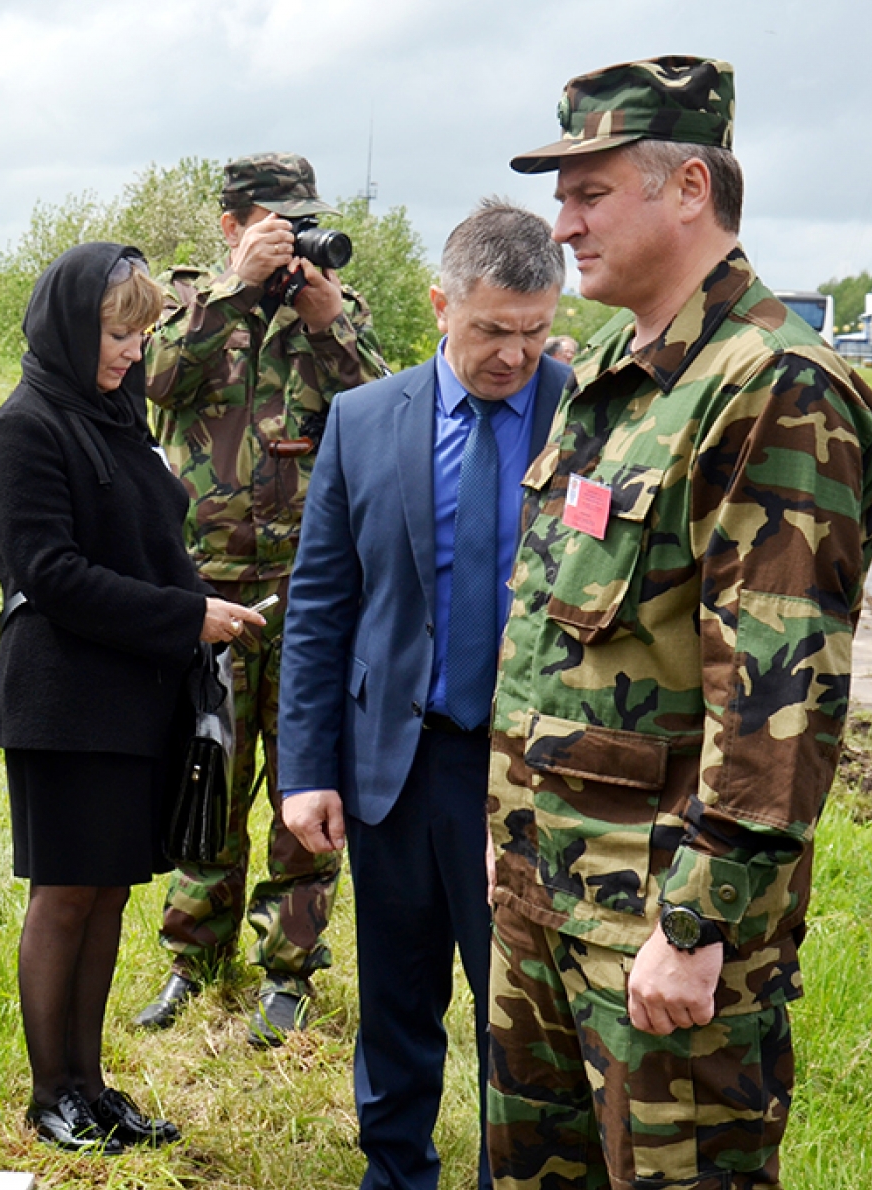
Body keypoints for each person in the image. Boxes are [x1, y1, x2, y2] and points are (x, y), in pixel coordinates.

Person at [492, 58, 872, 1189]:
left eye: (590, 192)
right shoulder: (616, 372)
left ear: (690, 188)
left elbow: (778, 697)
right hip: (544, 893)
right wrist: (506, 839)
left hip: (656, 932)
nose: (561, 224)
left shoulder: (774, 389)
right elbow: (556, 642)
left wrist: (697, 923)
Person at [279, 200, 569, 1190]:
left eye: (534, 331)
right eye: (491, 330)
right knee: (398, 993)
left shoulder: (589, 416)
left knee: (517, 1006)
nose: (514, 356)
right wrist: (308, 767)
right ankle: (394, 1168)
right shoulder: (366, 420)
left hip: (526, 775)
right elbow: (322, 602)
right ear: (442, 306)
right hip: (395, 763)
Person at [0, 242, 264, 1151]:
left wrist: (192, 616)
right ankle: (48, 1092)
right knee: (65, 896)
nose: (134, 350)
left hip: (132, 697)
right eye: (116, 331)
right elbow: (51, 576)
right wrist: (188, 616)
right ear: (68, 326)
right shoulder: (26, 428)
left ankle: (91, 1086)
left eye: (141, 332)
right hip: (65, 704)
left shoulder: (116, 415)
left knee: (108, 897)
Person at [141, 152, 389, 1043]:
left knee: (304, 780)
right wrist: (233, 291)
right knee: (206, 773)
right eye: (273, 222)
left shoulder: (336, 311)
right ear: (232, 223)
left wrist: (329, 324)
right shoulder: (186, 305)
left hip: (313, 592)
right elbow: (152, 384)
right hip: (207, 587)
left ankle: (289, 966)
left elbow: (388, 412)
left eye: (300, 221)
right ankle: (192, 958)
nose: (292, 239)